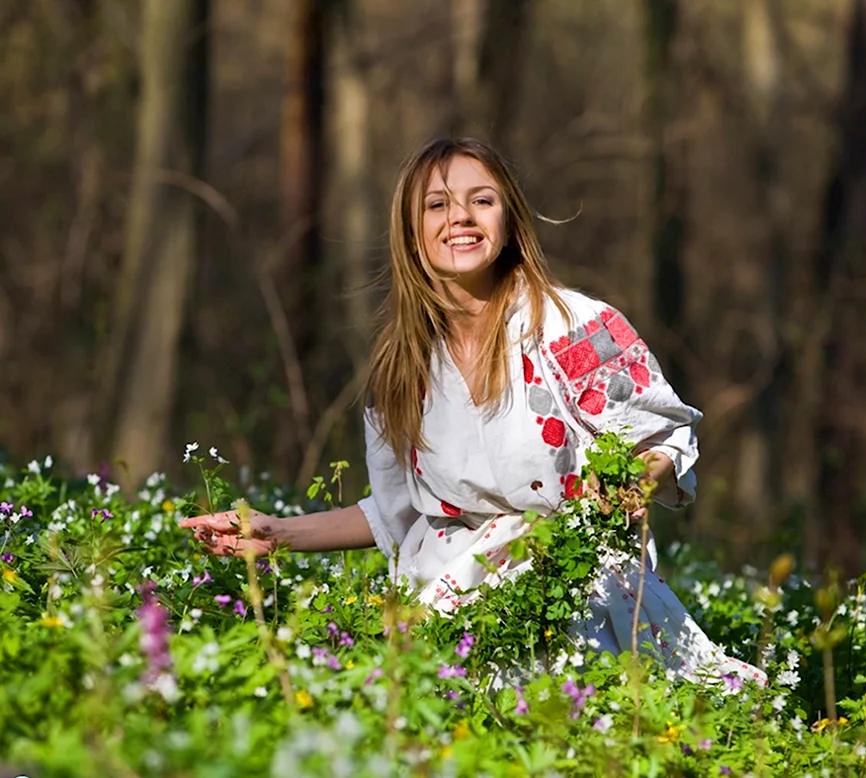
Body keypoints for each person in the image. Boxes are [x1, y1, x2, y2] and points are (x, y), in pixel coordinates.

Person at [181, 137, 765, 687]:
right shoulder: (401, 369)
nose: (460, 217)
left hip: (575, 589)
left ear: (507, 222)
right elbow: (398, 512)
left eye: (480, 201)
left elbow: (661, 435)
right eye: (437, 205)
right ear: (413, 234)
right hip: (450, 597)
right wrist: (276, 533)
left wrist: (634, 480)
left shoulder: (573, 326)